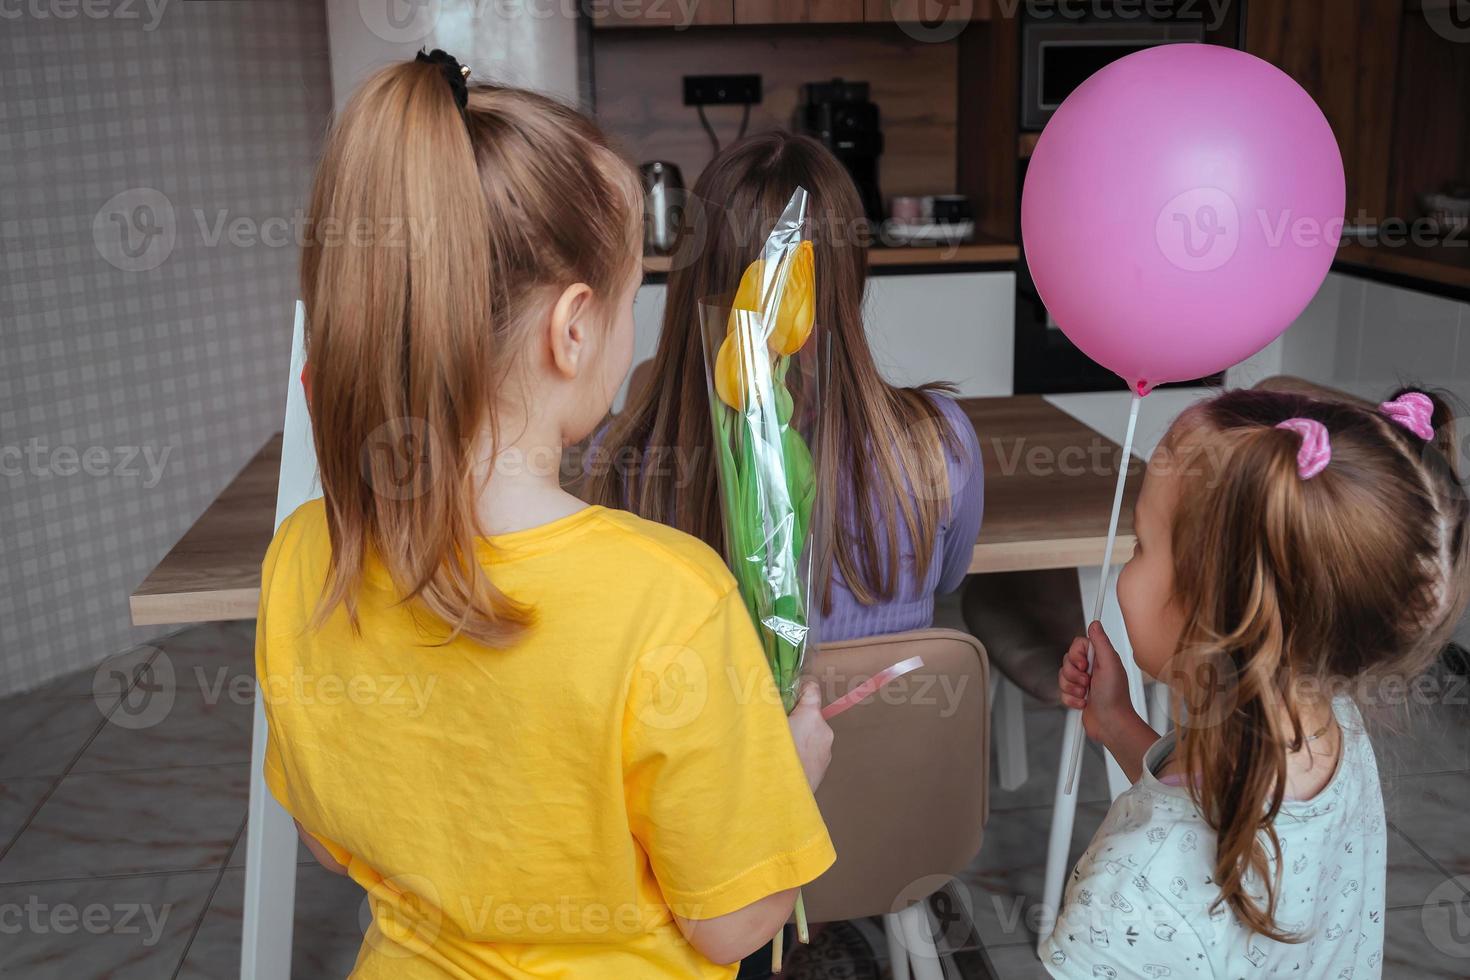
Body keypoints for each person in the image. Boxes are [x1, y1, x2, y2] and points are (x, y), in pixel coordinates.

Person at [257, 53, 835, 979]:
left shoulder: (302, 558)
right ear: (571, 330)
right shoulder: (670, 599)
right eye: (631, 296)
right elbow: (734, 923)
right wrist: (788, 777)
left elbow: (331, 842)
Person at [1047, 386, 1469, 978]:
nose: (1128, 563)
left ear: (1219, 610)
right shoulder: (1329, 724)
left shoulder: (1130, 890)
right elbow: (1219, 810)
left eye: (1142, 545)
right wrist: (1118, 722)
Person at [587, 132, 983, 645]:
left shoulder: (622, 466)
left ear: (688, 283)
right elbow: (951, 579)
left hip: (710, 725)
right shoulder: (938, 440)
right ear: (851, 281)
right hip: (884, 722)